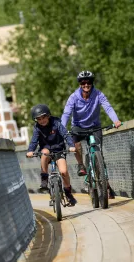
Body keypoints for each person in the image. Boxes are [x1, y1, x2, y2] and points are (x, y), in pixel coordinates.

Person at [61, 70, 121, 198]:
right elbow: (66, 114)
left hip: (94, 126)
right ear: (80, 84)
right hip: (78, 126)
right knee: (76, 144)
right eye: (83, 82)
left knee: (99, 155)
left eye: (89, 82)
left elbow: (108, 107)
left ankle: (106, 185)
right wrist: (62, 129)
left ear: (92, 83)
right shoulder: (73, 97)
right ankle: (81, 165)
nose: (86, 85)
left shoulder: (98, 94)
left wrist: (115, 120)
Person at [26, 104, 77, 206]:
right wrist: (30, 150)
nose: (42, 121)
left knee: (63, 172)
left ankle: (68, 193)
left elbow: (66, 135)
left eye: (43, 117)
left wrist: (71, 145)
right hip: (46, 152)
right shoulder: (37, 128)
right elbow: (34, 141)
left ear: (48, 116)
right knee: (45, 152)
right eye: (39, 119)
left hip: (59, 150)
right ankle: (44, 177)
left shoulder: (56, 123)